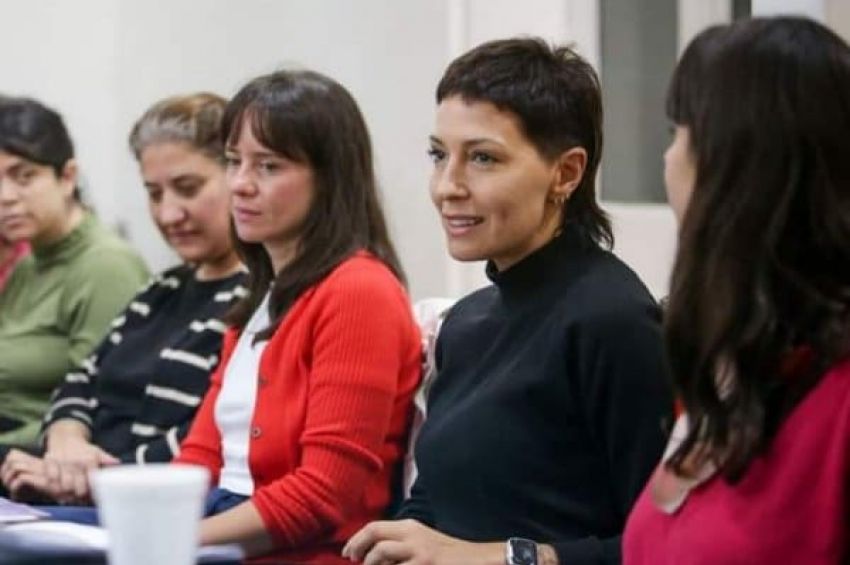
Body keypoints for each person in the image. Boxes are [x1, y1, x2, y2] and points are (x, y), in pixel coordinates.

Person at [344, 37, 673, 565]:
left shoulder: (613, 321)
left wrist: (507, 557)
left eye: (482, 158)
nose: (447, 186)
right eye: (438, 155)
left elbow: (664, 545)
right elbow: (436, 496)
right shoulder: (468, 322)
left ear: (565, 173)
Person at [622, 17, 850, 564]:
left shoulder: (835, 395)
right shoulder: (738, 361)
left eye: (679, 132)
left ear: (736, 164)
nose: (667, 158)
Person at [169, 70, 421, 563]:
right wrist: (141, 516)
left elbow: (324, 496)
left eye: (268, 166)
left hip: (291, 547)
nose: (240, 185)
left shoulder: (358, 290)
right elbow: (199, 455)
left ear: (329, 178)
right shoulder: (264, 291)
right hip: (219, 521)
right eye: (233, 161)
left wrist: (167, 539)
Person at [0, 93, 246, 504]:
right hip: (86, 488)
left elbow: (206, 437)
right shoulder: (162, 289)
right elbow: (80, 381)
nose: (168, 214)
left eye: (188, 188)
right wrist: (66, 441)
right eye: (154, 194)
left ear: (239, 177)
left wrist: (87, 478)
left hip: (136, 502)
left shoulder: (256, 299)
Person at [0, 97, 149, 447]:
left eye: (24, 176)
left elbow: (101, 408)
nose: (5, 197)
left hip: (42, 455)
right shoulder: (29, 261)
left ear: (67, 177)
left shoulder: (105, 265)